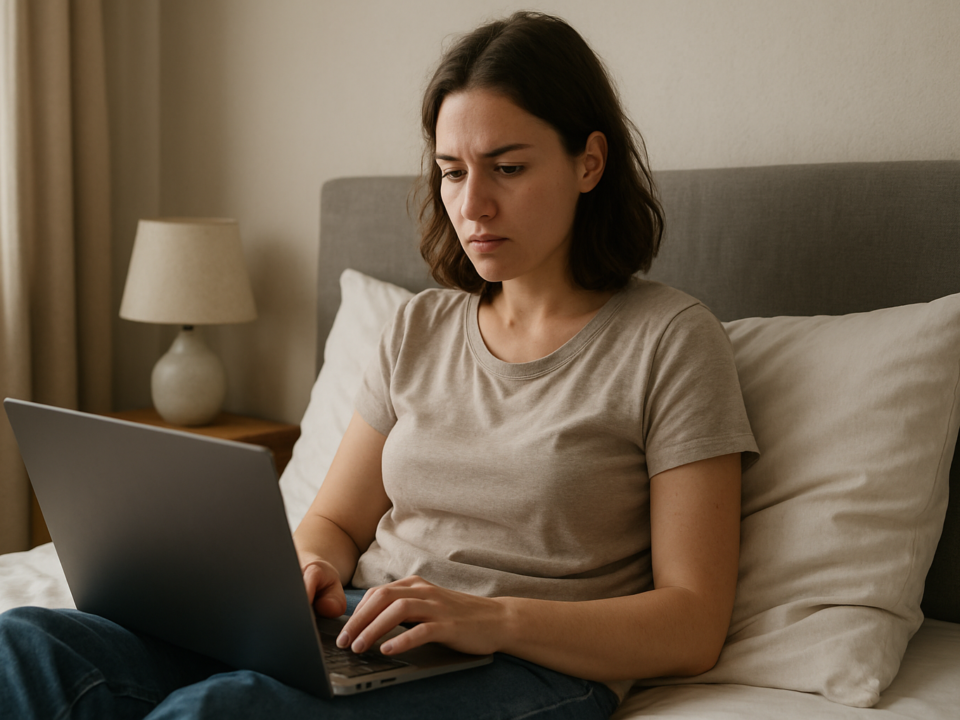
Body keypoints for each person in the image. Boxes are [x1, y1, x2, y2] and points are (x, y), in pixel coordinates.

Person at [0, 11, 758, 719]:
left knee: (228, 710)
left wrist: (486, 617)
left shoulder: (671, 340)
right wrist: (310, 570)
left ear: (589, 162)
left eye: (508, 167)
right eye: (453, 172)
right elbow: (333, 519)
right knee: (29, 643)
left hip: (531, 666)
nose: (474, 206)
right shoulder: (418, 326)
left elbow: (692, 623)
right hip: (369, 631)